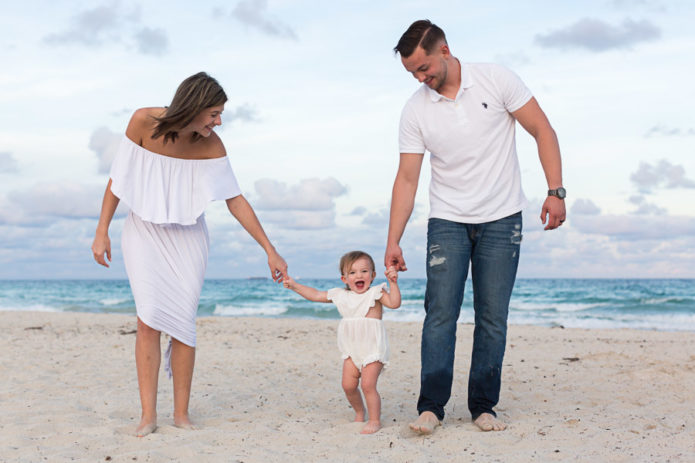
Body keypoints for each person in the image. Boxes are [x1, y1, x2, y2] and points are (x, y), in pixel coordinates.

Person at [385, 20, 566, 434]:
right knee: (440, 314)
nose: (420, 78)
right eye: (413, 72)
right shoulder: (415, 108)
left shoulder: (496, 79)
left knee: (492, 316)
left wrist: (556, 190)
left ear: (444, 50)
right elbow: (407, 178)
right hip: (447, 219)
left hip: (502, 219)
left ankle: (483, 406)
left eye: (424, 67)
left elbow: (542, 129)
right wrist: (393, 239)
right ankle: (431, 407)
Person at [91, 72, 287, 437]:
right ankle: (148, 416)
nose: (218, 121)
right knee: (148, 320)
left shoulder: (212, 147)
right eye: (214, 113)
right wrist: (101, 230)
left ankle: (181, 414)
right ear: (193, 105)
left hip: (188, 238)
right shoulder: (142, 122)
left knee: (183, 323)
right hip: (144, 233)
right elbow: (118, 179)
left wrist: (269, 249)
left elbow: (235, 199)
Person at [283, 251, 401, 434]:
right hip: (351, 349)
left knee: (368, 385)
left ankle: (375, 420)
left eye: (364, 271)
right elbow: (315, 294)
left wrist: (393, 282)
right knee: (348, 385)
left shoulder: (376, 293)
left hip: (373, 348)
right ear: (344, 278)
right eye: (352, 273)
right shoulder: (341, 295)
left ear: (373, 275)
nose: (359, 276)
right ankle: (360, 412)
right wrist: (294, 286)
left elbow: (394, 303)